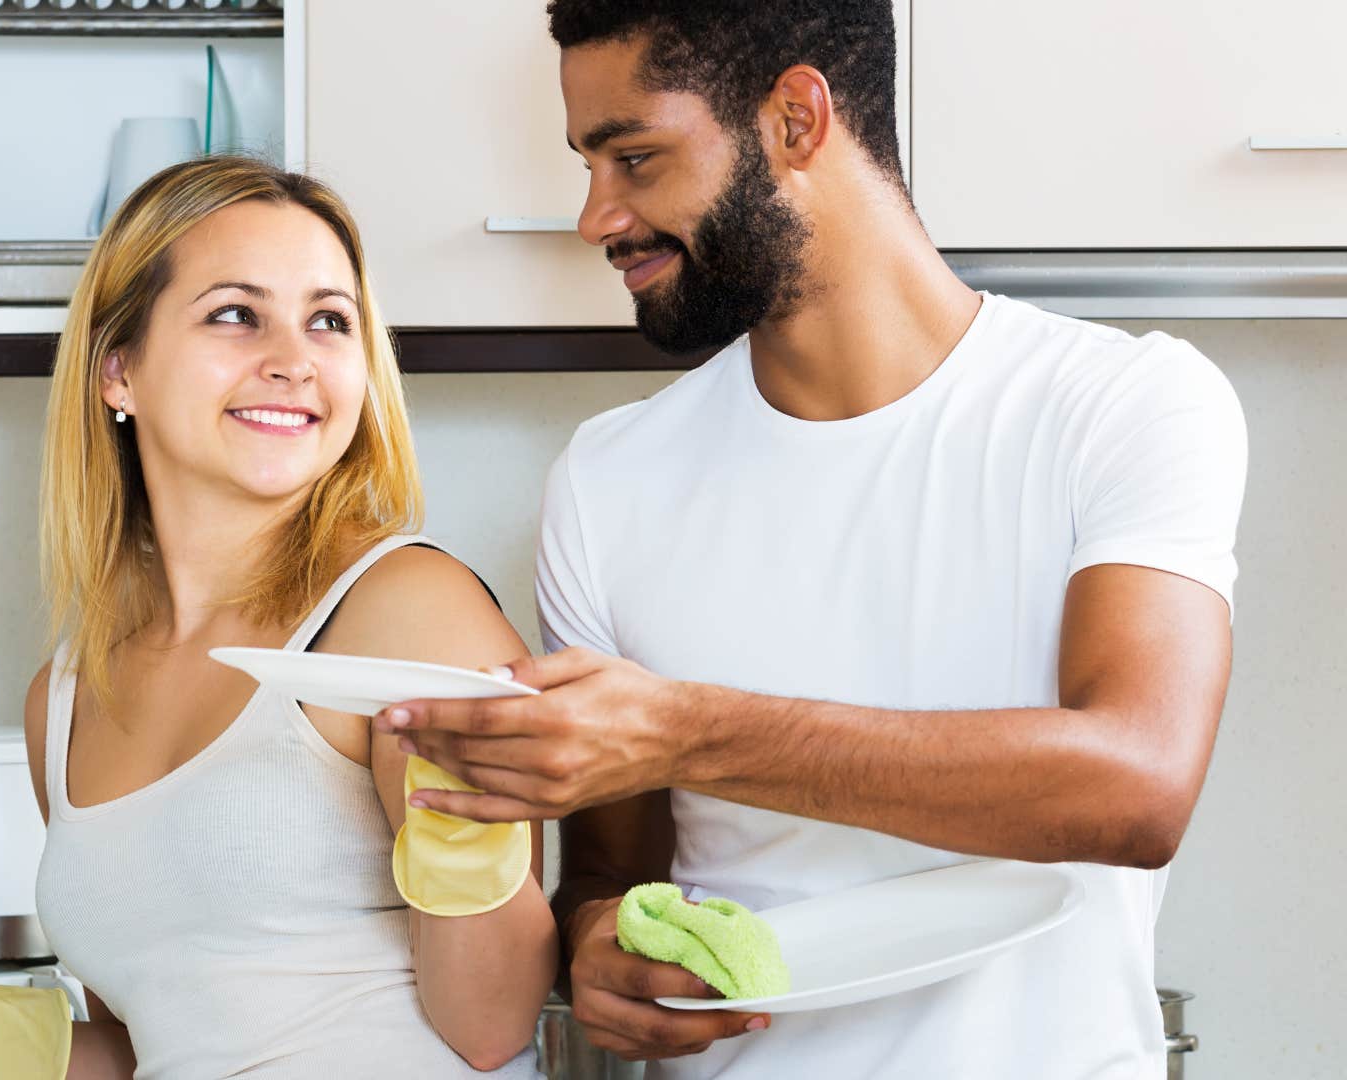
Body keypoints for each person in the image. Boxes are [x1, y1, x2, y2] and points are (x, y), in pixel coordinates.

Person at [379, 3, 1248, 1077]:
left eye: (635, 158)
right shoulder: (607, 480)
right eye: (588, 168)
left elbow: (1136, 787)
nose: (597, 216)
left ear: (796, 118)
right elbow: (611, 876)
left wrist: (688, 731)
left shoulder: (1122, 404)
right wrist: (599, 947)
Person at [0, 156, 556, 1079]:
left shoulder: (404, 612)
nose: (294, 360)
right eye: (235, 314)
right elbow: (160, 1045)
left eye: (329, 320)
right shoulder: (68, 697)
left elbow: (491, 1025)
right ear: (119, 370)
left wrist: (468, 847)